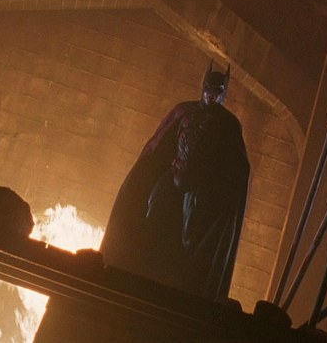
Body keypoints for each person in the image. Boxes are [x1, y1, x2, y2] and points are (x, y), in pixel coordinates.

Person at [101, 63, 250, 302]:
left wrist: (216, 188)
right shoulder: (184, 111)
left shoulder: (229, 125)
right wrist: (149, 173)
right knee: (151, 216)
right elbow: (157, 146)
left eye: (218, 91)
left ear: (224, 93)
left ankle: (178, 282)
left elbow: (235, 168)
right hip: (173, 178)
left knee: (191, 237)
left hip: (200, 190)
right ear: (203, 87)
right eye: (209, 89)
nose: (212, 95)